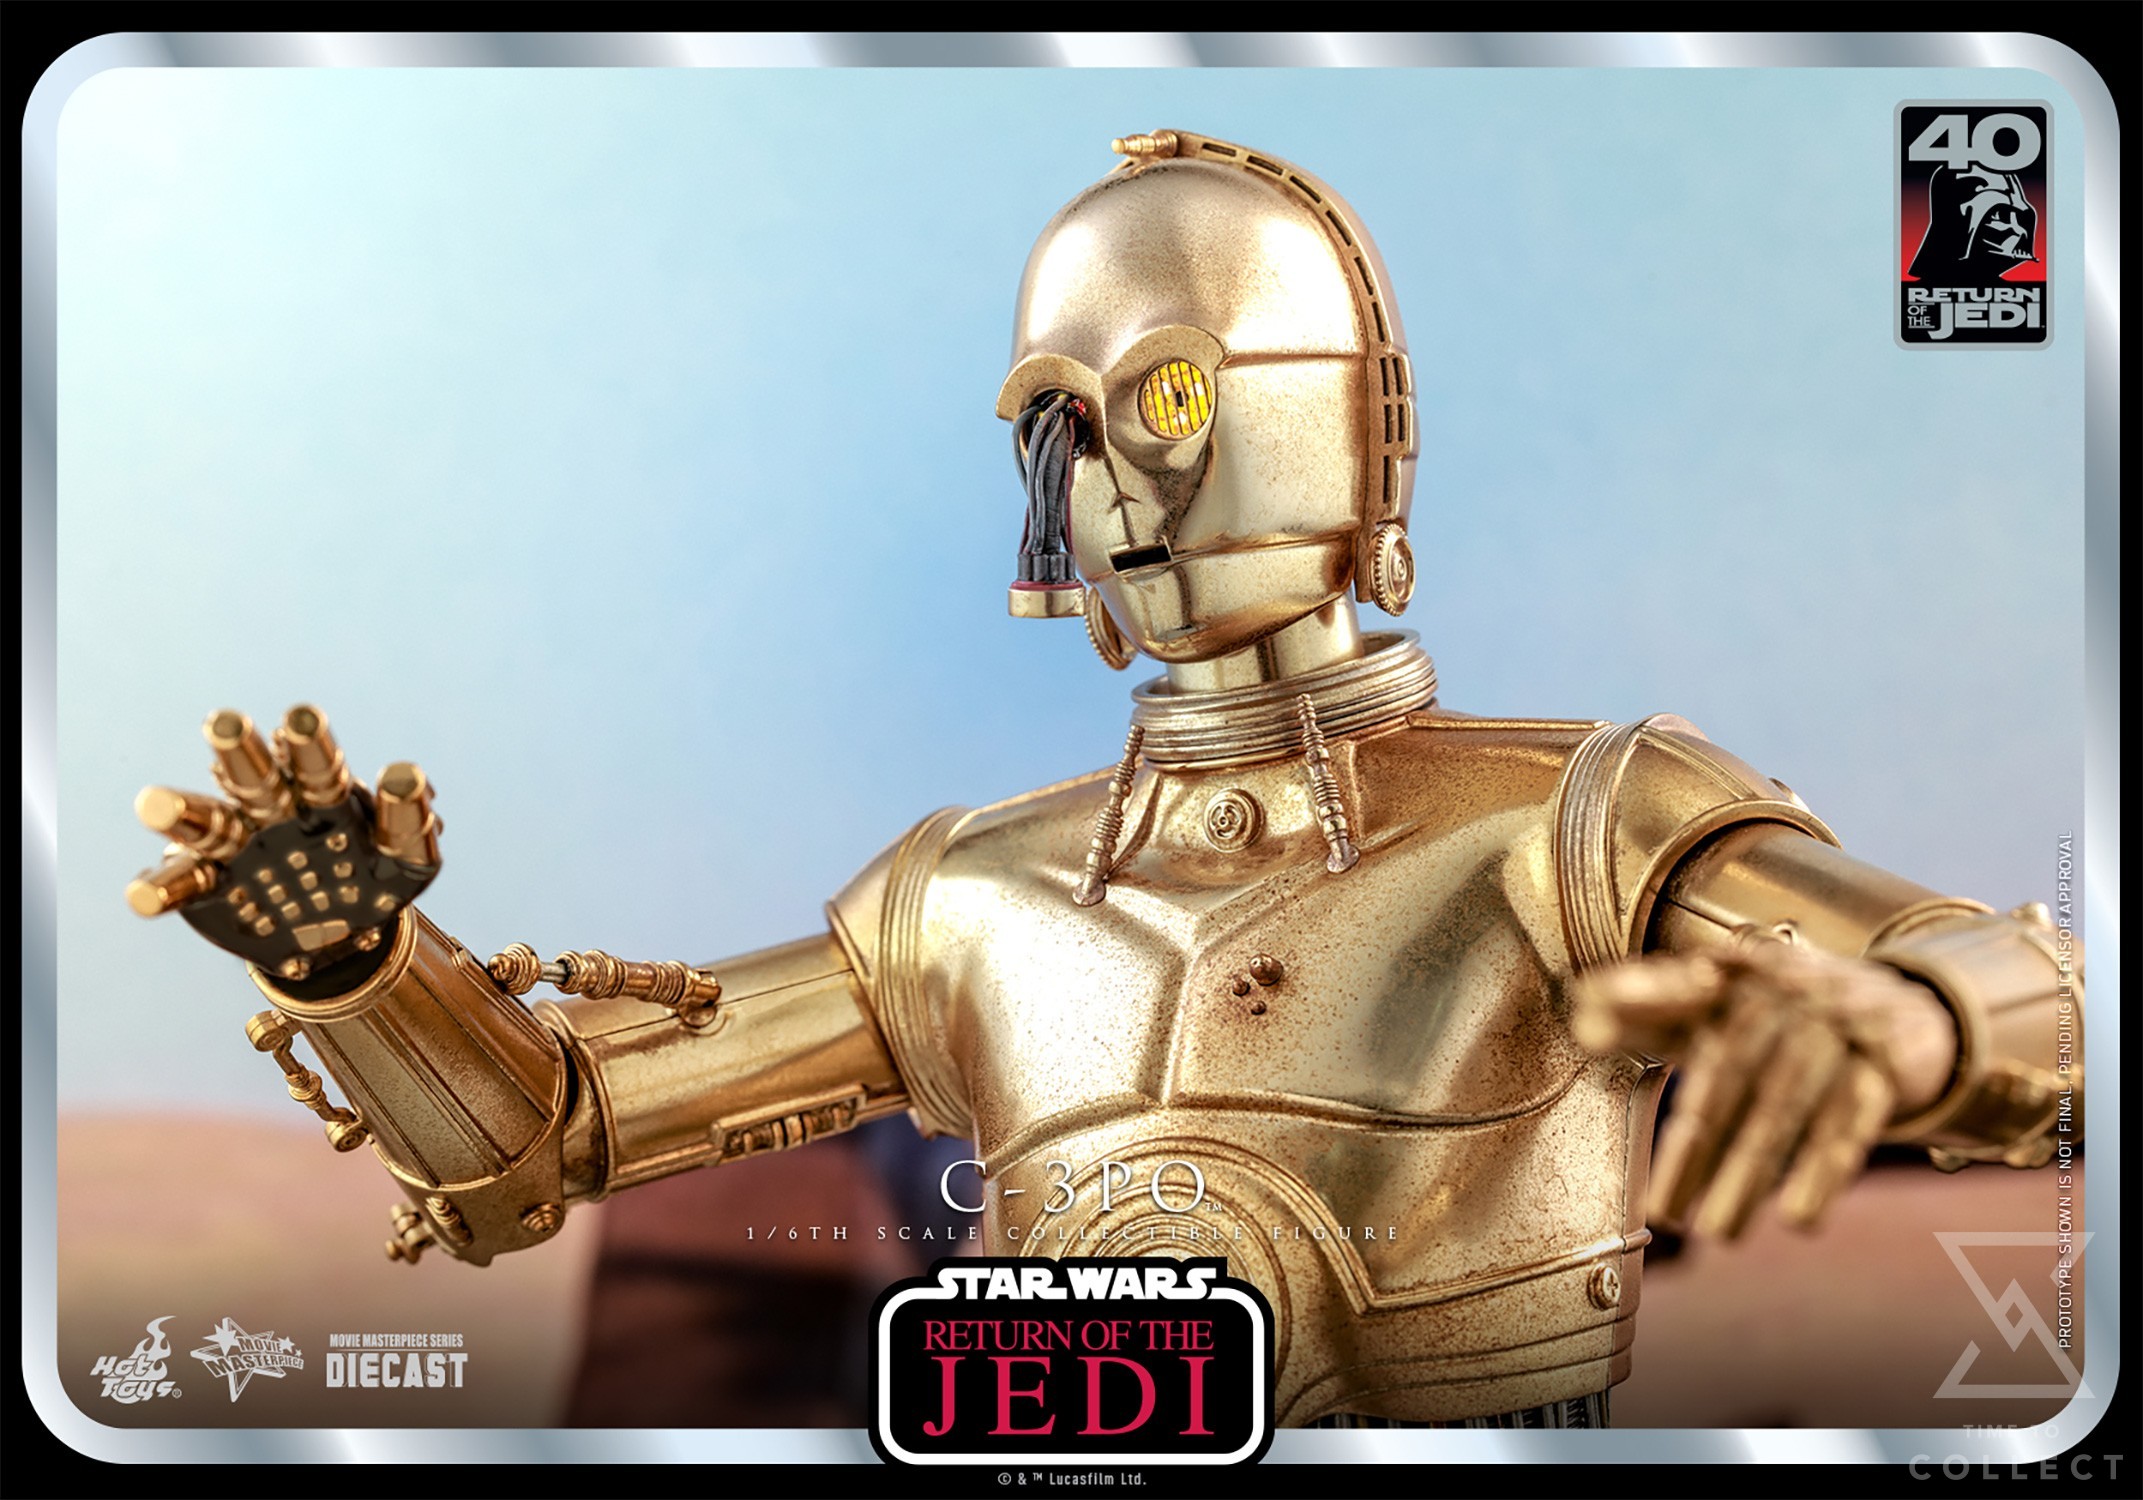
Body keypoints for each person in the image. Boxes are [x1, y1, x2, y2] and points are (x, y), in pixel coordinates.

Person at [126, 129, 2079, 1429]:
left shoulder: (1565, 815)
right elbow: (542, 1138)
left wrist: (1908, 1022)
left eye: (1166, 398)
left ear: (1336, 424)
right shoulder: (969, 896)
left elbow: (2042, 990)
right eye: (1058, 427)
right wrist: (363, 974)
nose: (1116, 487)